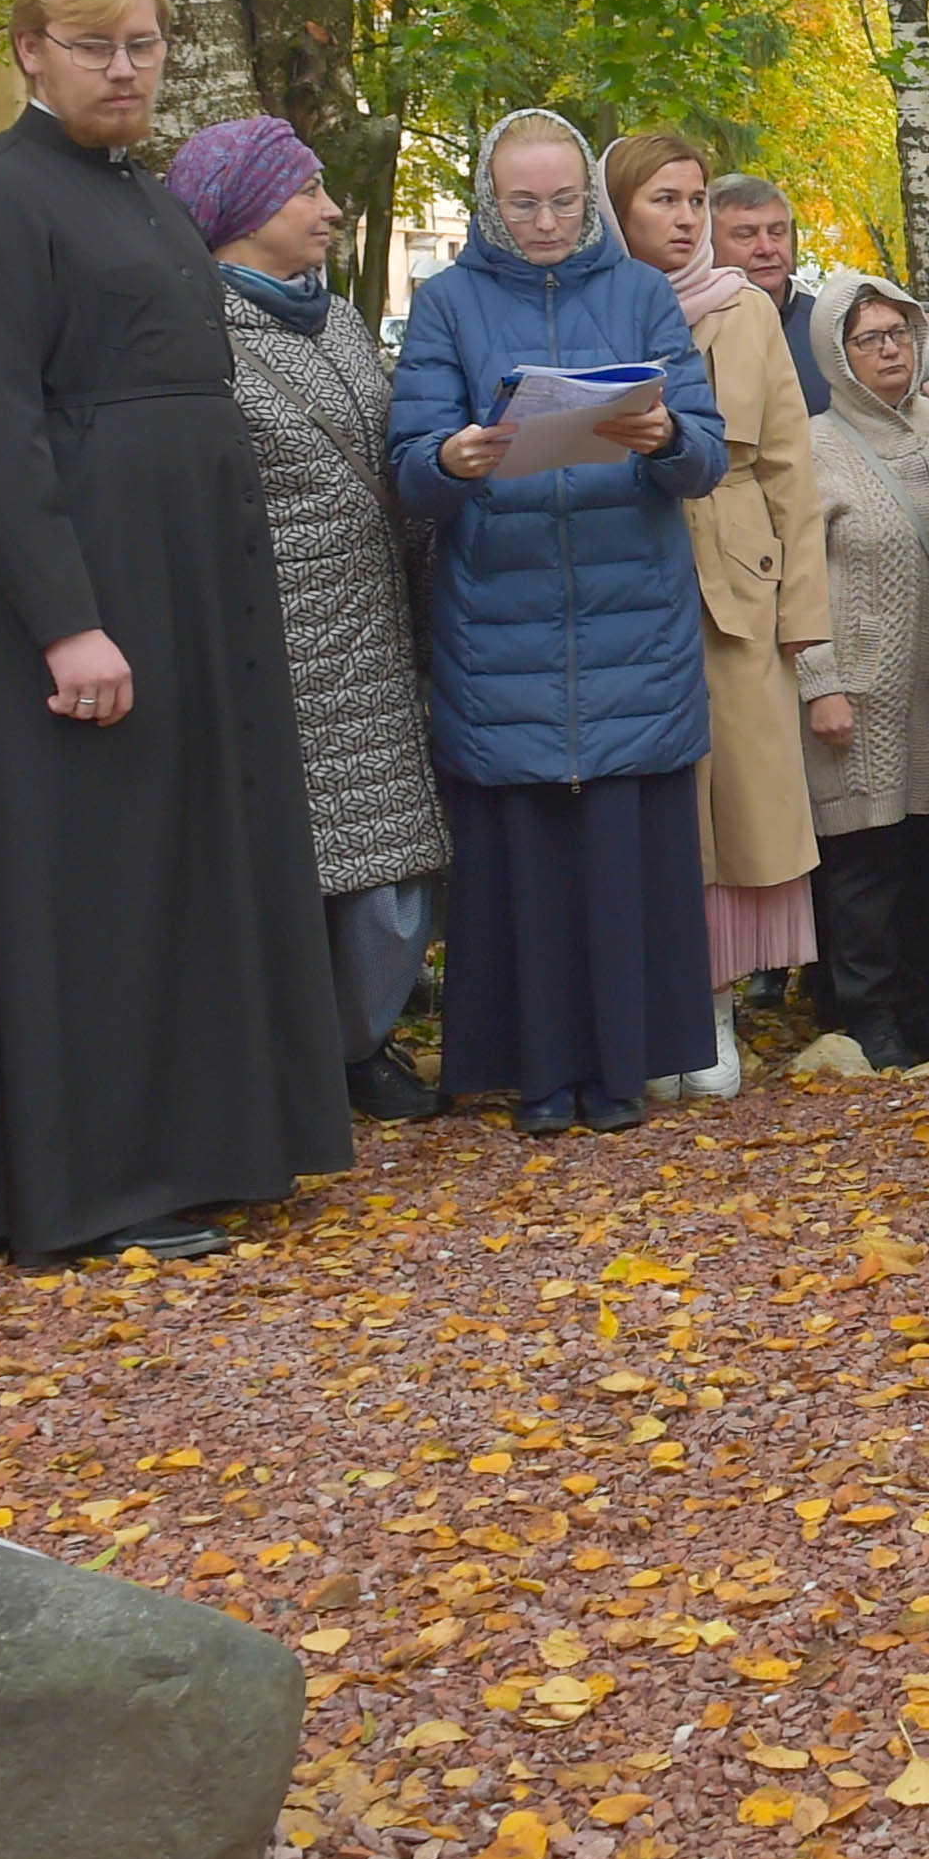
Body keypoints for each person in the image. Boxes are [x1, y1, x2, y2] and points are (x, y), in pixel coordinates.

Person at [0, 0, 352, 1267]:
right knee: (88, 888)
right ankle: (88, 1185)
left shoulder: (148, 200)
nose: (125, 70)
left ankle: (195, 1142)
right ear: (29, 51)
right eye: (94, 46)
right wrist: (66, 620)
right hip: (64, 600)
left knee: (175, 870)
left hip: (177, 580)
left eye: (145, 46)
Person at [392, 110, 731, 1134]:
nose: (543, 221)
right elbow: (407, 461)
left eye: (562, 201)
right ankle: (537, 1077)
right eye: (521, 202)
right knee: (526, 860)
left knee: (626, 848)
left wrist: (666, 429)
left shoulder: (638, 292)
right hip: (503, 621)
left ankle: (621, 1070)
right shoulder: (447, 302)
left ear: (589, 197)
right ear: (492, 203)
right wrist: (452, 459)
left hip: (632, 621)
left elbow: (706, 455)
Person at [178, 115, 452, 1125]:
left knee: (393, 869)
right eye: (306, 194)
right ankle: (298, 1058)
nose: (331, 210)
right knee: (295, 867)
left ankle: (358, 1043)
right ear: (244, 213)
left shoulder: (333, 319)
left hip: (377, 635)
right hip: (275, 644)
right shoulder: (192, 332)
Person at [604, 137, 833, 1096]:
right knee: (649, 801)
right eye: (666, 199)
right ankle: (646, 1009)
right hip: (626, 571)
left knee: (741, 805)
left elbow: (787, 461)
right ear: (619, 207)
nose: (689, 218)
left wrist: (803, 620)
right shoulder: (590, 303)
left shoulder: (745, 314)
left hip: (737, 581)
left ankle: (716, 1012)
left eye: (699, 199)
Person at [795, 268, 929, 1069]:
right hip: (859, 686)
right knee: (863, 855)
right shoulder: (813, 445)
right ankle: (866, 1012)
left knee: (928, 850)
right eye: (869, 339)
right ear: (838, 353)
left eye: (899, 332)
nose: (890, 349)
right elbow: (794, 576)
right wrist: (819, 682)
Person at [713, 173, 835, 416]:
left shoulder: (827, 325)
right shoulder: (690, 328)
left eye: (777, 232)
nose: (767, 249)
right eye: (746, 235)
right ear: (707, 244)